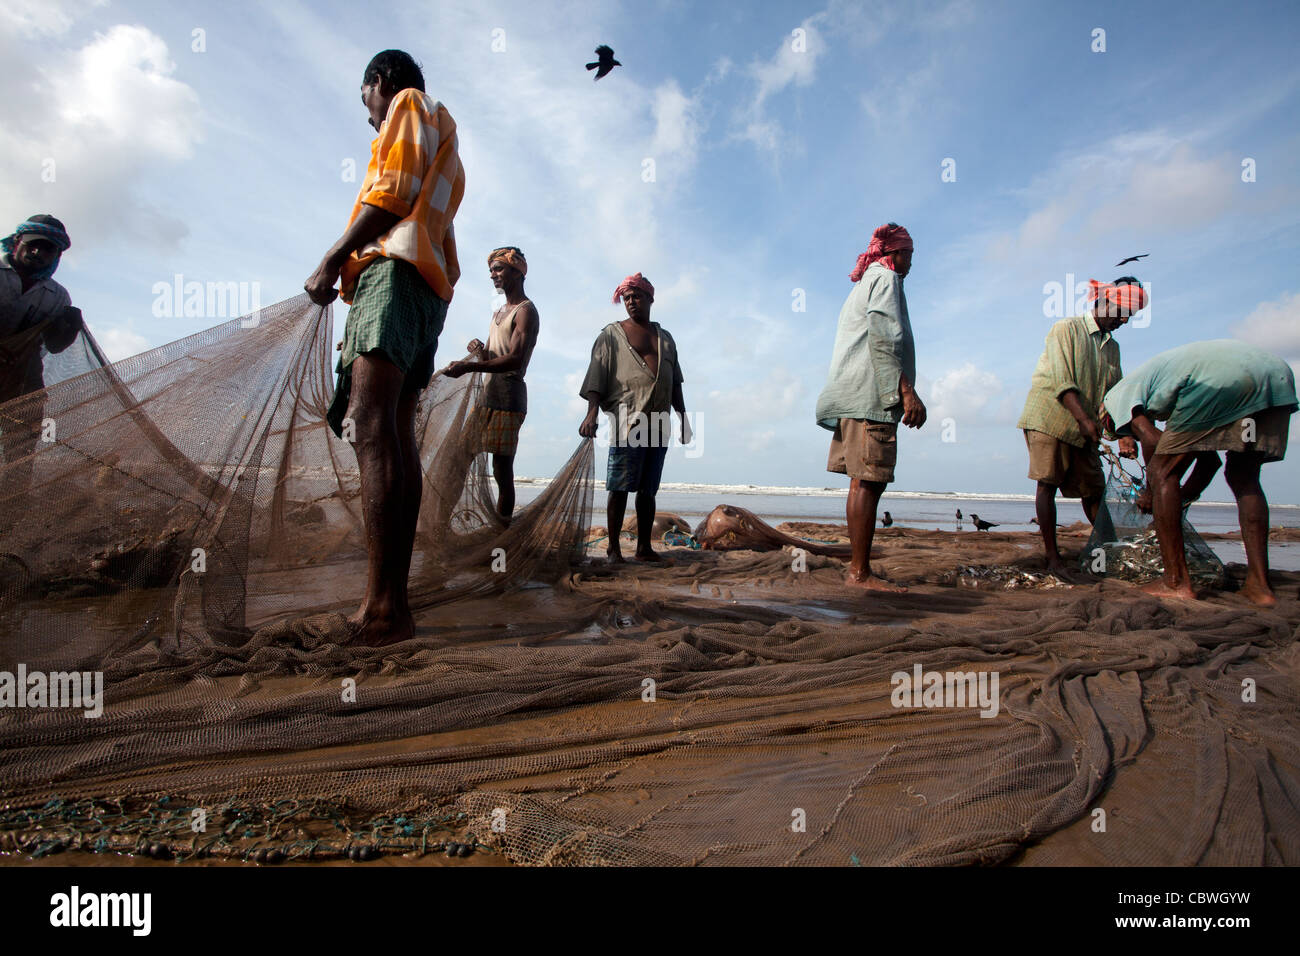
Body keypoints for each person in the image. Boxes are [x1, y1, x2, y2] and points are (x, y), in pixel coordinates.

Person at [304, 49, 466, 645]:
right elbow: (441, 235)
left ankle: (381, 610)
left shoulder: (408, 104)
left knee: (373, 428)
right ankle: (391, 602)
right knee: (396, 430)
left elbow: (392, 192)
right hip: (427, 291)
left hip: (395, 275)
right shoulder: (446, 137)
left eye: (365, 99)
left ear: (379, 82)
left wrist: (331, 259)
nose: (369, 115)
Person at [1103, 340, 1297, 606]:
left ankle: (1175, 582)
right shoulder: (1163, 387)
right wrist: (1178, 501)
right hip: (1275, 376)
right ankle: (1260, 586)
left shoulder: (1115, 397)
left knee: (1161, 471)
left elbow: (1152, 441)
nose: (1125, 435)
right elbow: (1209, 463)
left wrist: (1152, 491)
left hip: (1218, 382)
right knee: (1244, 476)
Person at [814, 223, 926, 591]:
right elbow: (884, 337)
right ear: (895, 254)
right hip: (869, 398)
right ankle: (859, 574)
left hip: (853, 396)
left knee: (860, 482)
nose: (912, 261)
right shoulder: (885, 279)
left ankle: (857, 570)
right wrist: (906, 392)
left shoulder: (865, 283)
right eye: (909, 254)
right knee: (870, 482)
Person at [1017, 277, 1144, 572]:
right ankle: (1052, 556)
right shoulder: (1066, 329)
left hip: (1085, 426)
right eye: (1122, 311)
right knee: (1047, 483)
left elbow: (1113, 395)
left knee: (1093, 489)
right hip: (1050, 418)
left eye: (1131, 315)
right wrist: (1085, 420)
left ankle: (1109, 549)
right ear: (1106, 301)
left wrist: (1123, 433)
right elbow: (1063, 381)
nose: (1124, 319)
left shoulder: (1113, 348)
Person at [578, 273, 688, 563]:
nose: (631, 302)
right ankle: (614, 549)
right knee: (619, 486)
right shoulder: (610, 335)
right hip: (628, 420)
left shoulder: (666, 338)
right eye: (626, 298)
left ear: (650, 298)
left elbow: (674, 382)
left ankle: (643, 548)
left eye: (636, 296)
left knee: (648, 489)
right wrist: (591, 413)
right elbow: (596, 376)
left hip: (659, 422)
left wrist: (684, 418)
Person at [444, 247, 539, 524]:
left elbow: (515, 360)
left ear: (518, 272)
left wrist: (470, 366)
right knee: (460, 460)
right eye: (491, 271)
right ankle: (440, 524)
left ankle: (501, 530)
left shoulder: (526, 312)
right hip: (488, 396)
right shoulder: (498, 313)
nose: (493, 276)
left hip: (509, 399)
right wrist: (479, 350)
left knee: (501, 469)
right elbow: (494, 357)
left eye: (499, 269)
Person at [0, 215, 84, 501]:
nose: (38, 252)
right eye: (33, 245)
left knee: (21, 441)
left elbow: (55, 346)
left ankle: (11, 505)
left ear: (57, 255)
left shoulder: (57, 296)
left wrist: (69, 329)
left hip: (21, 378)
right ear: (16, 243)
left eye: (48, 249)